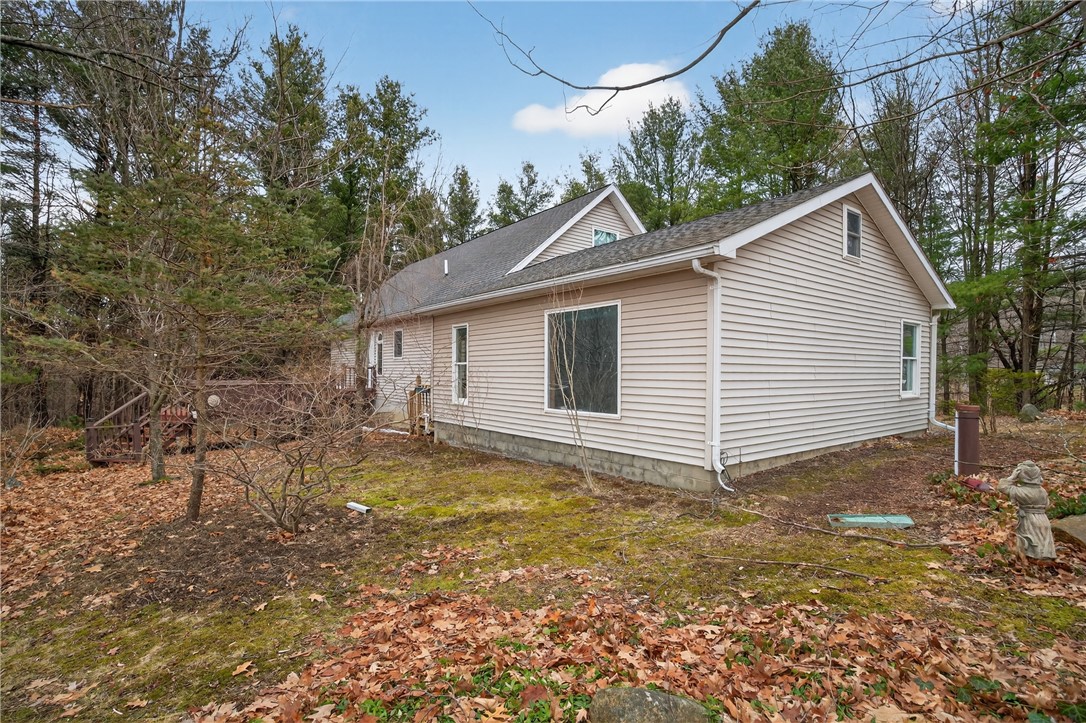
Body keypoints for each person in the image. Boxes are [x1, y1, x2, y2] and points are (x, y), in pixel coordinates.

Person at [997, 461, 1056, 561]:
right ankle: (1045, 557)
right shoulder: (1042, 491)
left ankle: (1033, 559)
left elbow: (1002, 487)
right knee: (1043, 539)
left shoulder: (1021, 491)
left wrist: (1012, 477)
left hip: (1029, 519)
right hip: (1043, 519)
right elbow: (1047, 505)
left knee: (1032, 539)